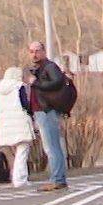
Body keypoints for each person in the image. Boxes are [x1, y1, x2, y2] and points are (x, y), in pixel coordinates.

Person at [24, 41, 72, 192]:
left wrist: (36, 83)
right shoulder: (39, 68)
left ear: (43, 51)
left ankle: (57, 179)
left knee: (52, 146)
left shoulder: (49, 66)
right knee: (51, 146)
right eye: (31, 51)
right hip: (41, 111)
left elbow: (57, 82)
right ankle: (59, 178)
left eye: (37, 51)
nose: (34, 54)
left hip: (47, 110)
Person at [0, 67, 34, 187]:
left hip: (6, 123)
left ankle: (18, 177)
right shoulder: (18, 87)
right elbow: (25, 105)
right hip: (20, 121)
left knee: (15, 152)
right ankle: (20, 179)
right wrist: (31, 114)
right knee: (23, 150)